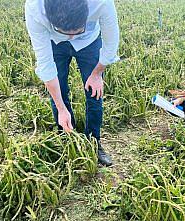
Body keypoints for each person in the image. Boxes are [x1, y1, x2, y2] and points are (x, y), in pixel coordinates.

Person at [25, 0, 120, 166]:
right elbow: (46, 66)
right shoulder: (35, 8)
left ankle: (94, 143)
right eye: (65, 32)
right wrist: (61, 108)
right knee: (58, 91)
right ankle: (68, 140)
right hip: (55, 44)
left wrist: (97, 73)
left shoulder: (101, 3)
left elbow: (111, 43)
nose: (71, 37)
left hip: (89, 42)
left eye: (76, 31)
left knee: (94, 93)